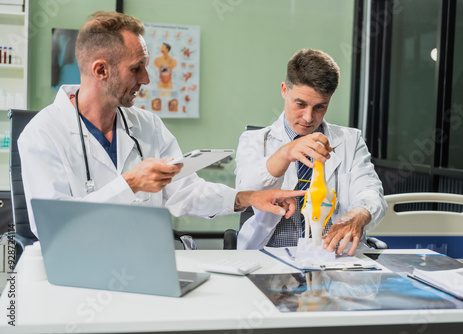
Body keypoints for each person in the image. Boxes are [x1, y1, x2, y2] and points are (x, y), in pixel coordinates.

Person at [18, 11, 303, 238]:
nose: (146, 79)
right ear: (101, 70)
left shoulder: (148, 125)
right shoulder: (42, 134)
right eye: (136, 68)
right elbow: (50, 226)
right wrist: (129, 183)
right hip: (77, 273)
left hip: (146, 262)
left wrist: (249, 197)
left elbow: (185, 192)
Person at [235, 49, 387, 255]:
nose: (308, 117)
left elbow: (371, 192)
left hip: (333, 256)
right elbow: (244, 194)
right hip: (270, 255)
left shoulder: (350, 141)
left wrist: (358, 215)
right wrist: (285, 154)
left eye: (320, 107)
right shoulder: (255, 141)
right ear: (284, 90)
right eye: (300, 104)